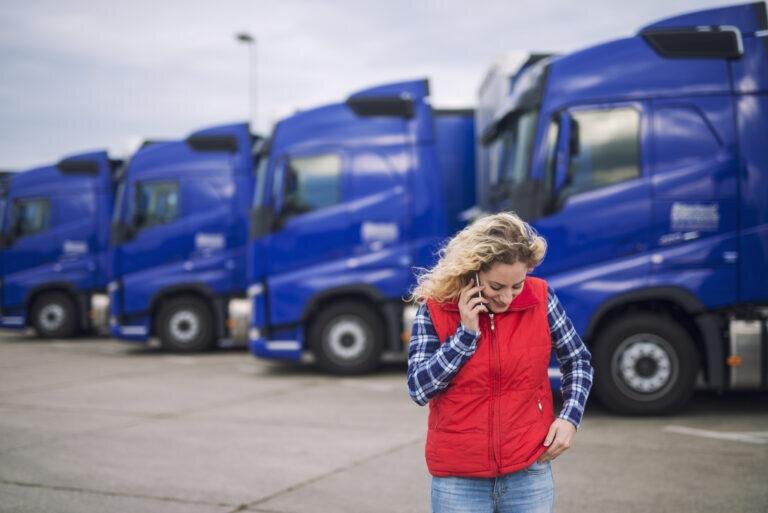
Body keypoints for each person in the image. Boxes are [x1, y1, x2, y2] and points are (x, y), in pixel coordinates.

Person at [407, 212, 594, 513]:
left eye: (517, 285)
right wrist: (465, 335)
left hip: (528, 471)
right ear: (472, 272)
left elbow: (578, 361)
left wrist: (570, 418)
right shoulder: (436, 307)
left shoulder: (541, 297)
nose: (508, 298)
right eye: (496, 287)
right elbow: (418, 388)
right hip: (458, 479)